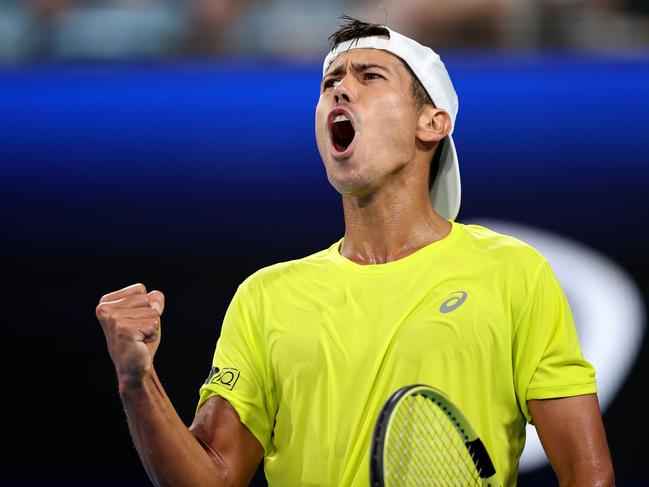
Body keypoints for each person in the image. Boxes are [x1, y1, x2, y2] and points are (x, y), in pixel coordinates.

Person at [95, 16, 615, 487]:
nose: (342, 89)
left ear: (432, 123)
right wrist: (137, 381)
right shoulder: (265, 296)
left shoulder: (513, 272)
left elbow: (586, 473)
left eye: (369, 77)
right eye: (330, 83)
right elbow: (211, 479)